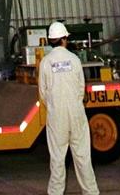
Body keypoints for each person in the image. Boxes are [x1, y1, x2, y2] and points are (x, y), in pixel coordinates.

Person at [37, 20, 99, 195]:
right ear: (65, 39)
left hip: (57, 117)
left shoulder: (46, 62)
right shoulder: (74, 59)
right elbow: (81, 89)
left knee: (57, 161)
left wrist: (55, 105)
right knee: (83, 159)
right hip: (77, 114)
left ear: (50, 40)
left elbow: (43, 93)